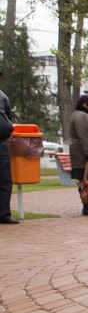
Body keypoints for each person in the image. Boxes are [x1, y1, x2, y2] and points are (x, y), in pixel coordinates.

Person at [0, 87, 17, 224]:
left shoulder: (2, 95)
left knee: (5, 180)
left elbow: (8, 115)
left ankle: (3, 214)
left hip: (1, 141)